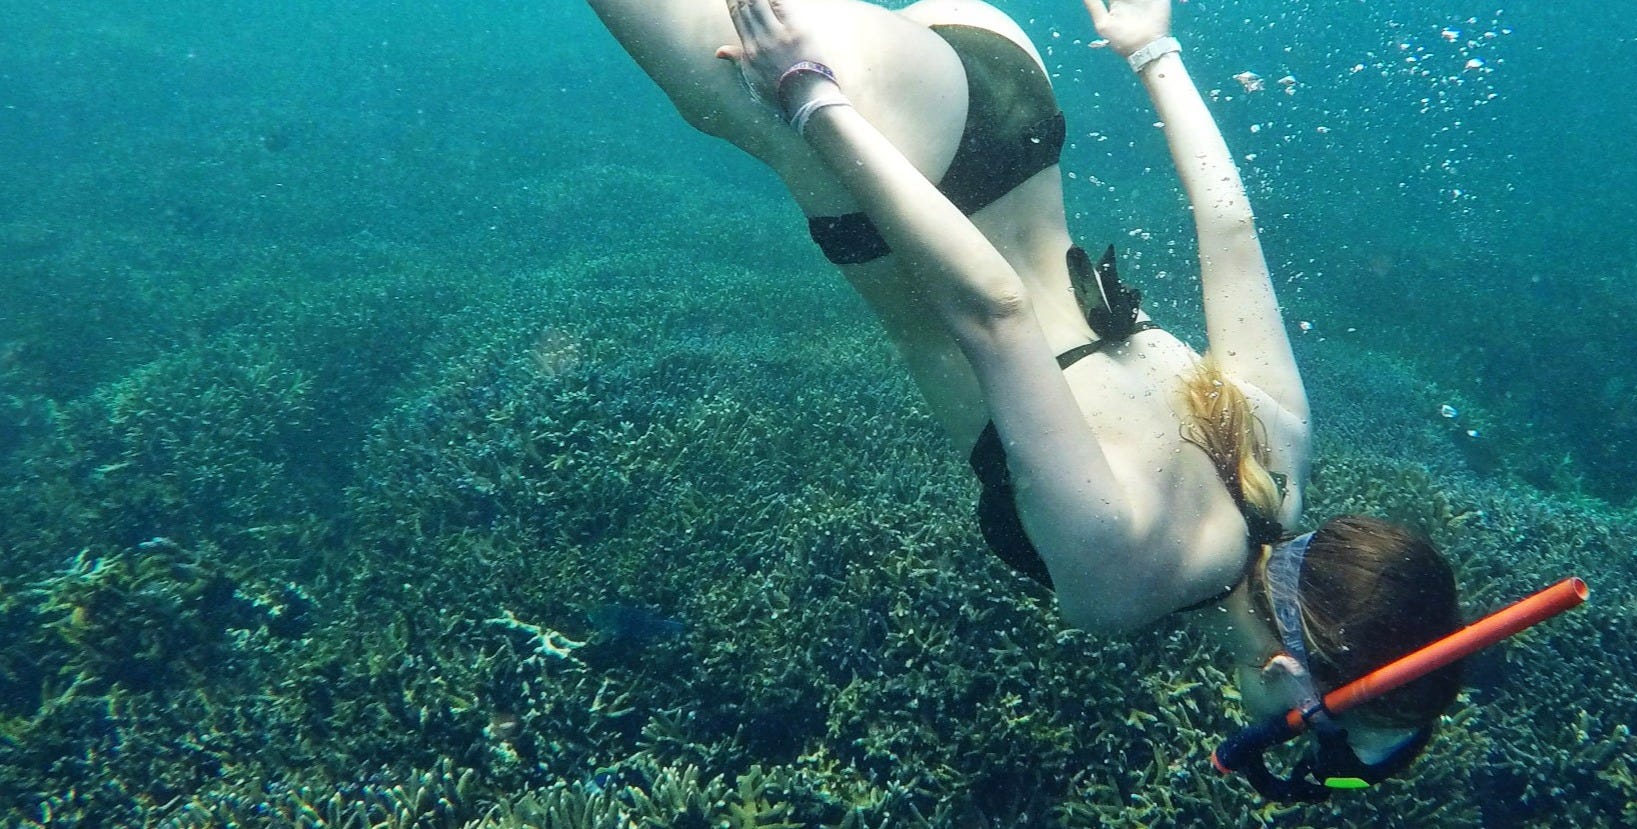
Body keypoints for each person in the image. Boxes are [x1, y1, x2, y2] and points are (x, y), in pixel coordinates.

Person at [588, 0, 1464, 798]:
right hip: (881, 147)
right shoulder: (1120, 587)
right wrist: (812, 100)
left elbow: (1229, 225)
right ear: (1285, 679)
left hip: (1006, 83)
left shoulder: (1283, 452)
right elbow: (995, 316)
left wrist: (1154, 51)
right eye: (1313, 747)